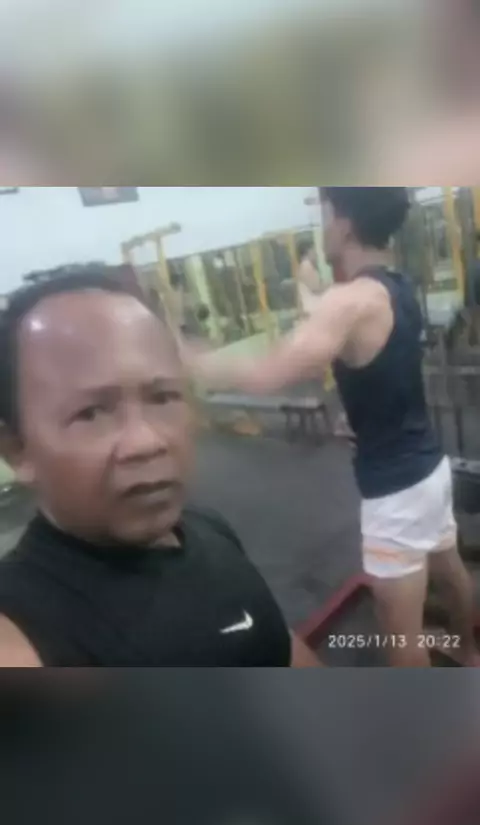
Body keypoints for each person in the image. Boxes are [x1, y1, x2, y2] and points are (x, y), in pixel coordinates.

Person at [193, 187, 478, 667]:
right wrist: (361, 415)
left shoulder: (349, 301)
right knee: (450, 571)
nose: (321, 228)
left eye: (325, 216)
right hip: (430, 470)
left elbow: (269, 373)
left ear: (343, 226)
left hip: (395, 494)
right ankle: (469, 654)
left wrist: (187, 360)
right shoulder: (395, 285)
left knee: (400, 633)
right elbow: (384, 366)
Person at [0, 269, 319, 667]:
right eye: (91, 412)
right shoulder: (19, 632)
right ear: (17, 450)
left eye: (163, 397)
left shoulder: (207, 528)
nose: (146, 441)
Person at [296, 239, 327, 317]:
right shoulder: (306, 266)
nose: (316, 254)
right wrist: (332, 286)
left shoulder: (307, 266)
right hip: (311, 309)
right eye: (313, 251)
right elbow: (316, 288)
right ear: (308, 252)